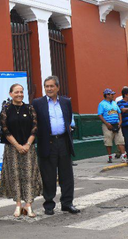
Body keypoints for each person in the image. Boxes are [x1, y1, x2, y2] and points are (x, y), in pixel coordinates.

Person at [32, 76, 79, 215]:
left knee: (67, 175)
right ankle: (49, 204)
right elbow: (34, 122)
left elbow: (69, 119)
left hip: (63, 141)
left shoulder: (65, 102)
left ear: (57, 87)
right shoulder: (37, 102)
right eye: (46, 86)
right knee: (48, 175)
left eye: (52, 86)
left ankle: (67, 203)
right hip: (47, 142)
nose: (49, 89)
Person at [0, 84, 42, 217]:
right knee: (15, 176)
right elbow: (4, 129)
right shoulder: (6, 109)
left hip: (28, 147)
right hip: (12, 148)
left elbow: (35, 127)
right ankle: (18, 204)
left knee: (29, 175)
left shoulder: (30, 108)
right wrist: (17, 145)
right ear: (10, 93)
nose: (19, 94)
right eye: (16, 92)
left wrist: (28, 144)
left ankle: (28, 205)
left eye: (21, 92)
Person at [98, 88, 127, 163]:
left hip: (116, 124)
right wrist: (107, 124)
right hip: (107, 125)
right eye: (111, 94)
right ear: (107, 95)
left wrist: (120, 121)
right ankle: (109, 156)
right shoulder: (102, 104)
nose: (113, 96)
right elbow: (100, 115)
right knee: (108, 140)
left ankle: (123, 155)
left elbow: (119, 112)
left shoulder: (114, 103)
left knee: (120, 140)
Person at [117, 87, 128, 164]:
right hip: (125, 125)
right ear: (125, 95)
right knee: (126, 141)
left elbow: (125, 110)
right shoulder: (120, 103)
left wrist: (127, 109)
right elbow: (122, 110)